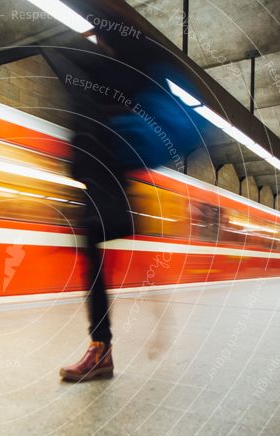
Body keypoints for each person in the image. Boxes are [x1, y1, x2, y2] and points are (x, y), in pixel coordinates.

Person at [44, 27, 206, 382]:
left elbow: (90, 113)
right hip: (103, 176)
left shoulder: (111, 67)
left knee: (98, 253)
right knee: (104, 255)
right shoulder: (119, 68)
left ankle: (104, 348)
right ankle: (113, 343)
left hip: (106, 176)